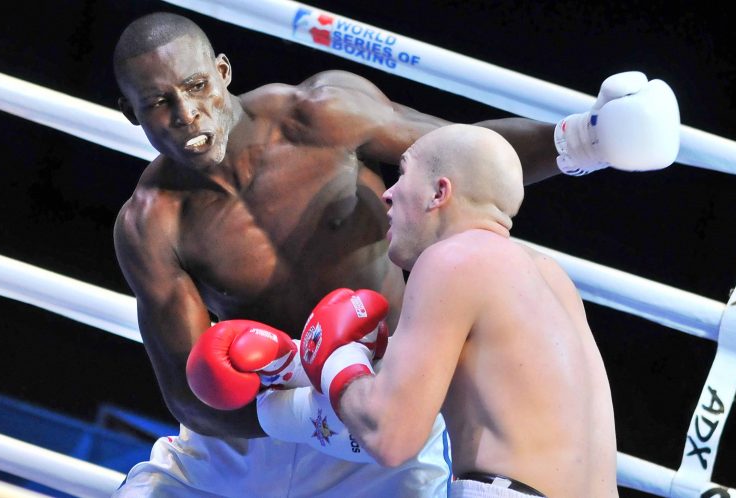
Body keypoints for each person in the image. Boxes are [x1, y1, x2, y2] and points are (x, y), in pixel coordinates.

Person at [110, 10, 676, 498]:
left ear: (224, 73)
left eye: (196, 86)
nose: (186, 114)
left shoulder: (322, 115)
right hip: (259, 418)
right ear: (131, 112)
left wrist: (587, 140)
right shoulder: (151, 223)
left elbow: (460, 161)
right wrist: (302, 419)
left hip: (384, 398)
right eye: (159, 102)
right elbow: (187, 395)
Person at [298, 124, 619, 498]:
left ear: (439, 192)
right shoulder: (551, 277)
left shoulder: (452, 259)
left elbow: (391, 435)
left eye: (402, 173)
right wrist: (293, 361)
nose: (388, 194)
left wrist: (336, 362)